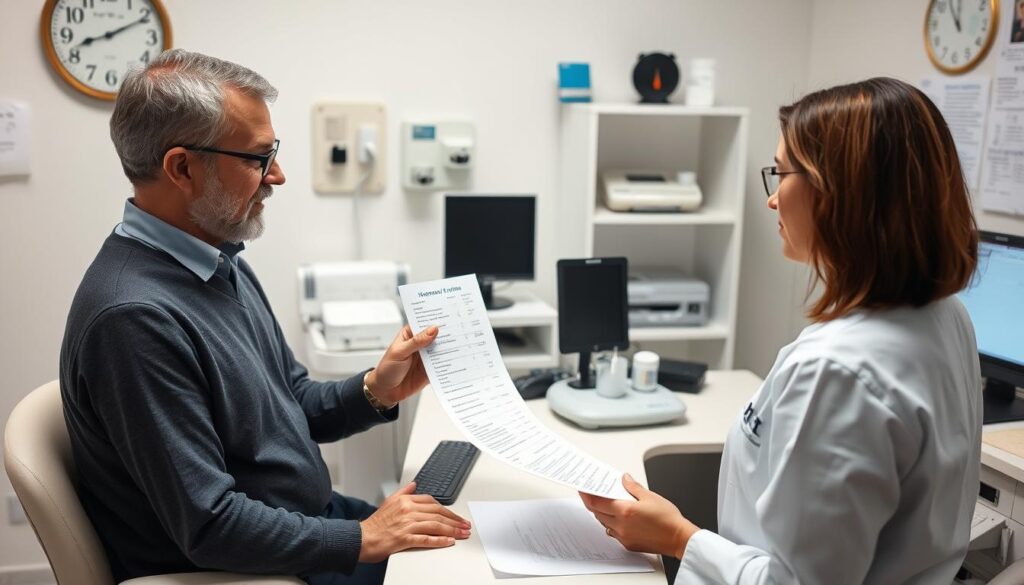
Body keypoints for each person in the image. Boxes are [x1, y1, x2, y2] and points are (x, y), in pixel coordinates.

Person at [59, 49, 469, 585]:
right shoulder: (133, 321)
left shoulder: (217, 258)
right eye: (257, 158)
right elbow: (210, 524)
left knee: (473, 543)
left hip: (306, 527)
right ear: (182, 167)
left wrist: (376, 389)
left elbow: (292, 402)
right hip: (247, 570)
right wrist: (365, 537)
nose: (277, 175)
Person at [580, 77, 982, 584]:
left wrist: (678, 537)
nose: (772, 200)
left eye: (782, 173)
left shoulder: (838, 372)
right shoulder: (946, 315)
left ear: (839, 192)